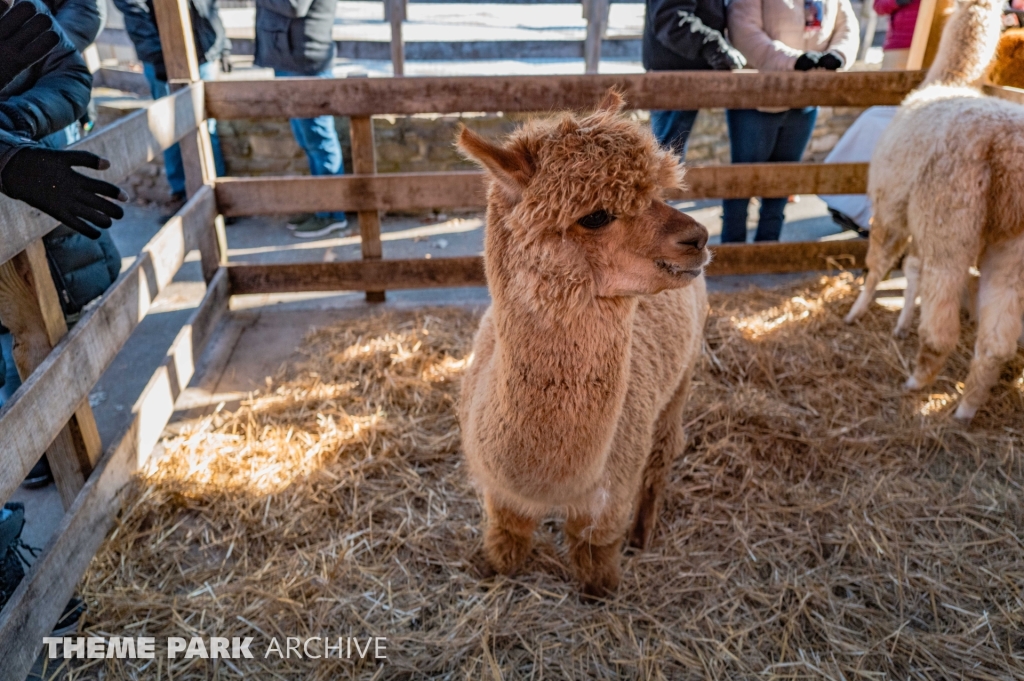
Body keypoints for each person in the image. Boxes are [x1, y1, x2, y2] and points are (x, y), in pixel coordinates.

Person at [724, 0, 858, 242]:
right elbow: (744, 29)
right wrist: (793, 60)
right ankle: (731, 250)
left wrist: (838, 55)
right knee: (742, 181)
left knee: (783, 181)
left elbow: (846, 26)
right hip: (758, 100)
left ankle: (770, 246)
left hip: (805, 98)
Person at [113, 0, 229, 208]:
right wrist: (159, 55)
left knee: (206, 126)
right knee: (170, 126)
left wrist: (222, 44)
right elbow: (134, 10)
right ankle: (181, 193)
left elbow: (209, 7)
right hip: (165, 54)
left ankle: (214, 191)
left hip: (201, 51)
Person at [255, 0, 348, 238]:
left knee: (319, 140)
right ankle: (322, 208)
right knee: (308, 140)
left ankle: (333, 213)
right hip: (292, 56)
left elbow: (294, 6)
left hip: (306, 62)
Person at [643, 0, 746, 157]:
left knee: (670, 155)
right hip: (674, 73)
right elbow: (669, 18)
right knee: (666, 156)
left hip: (688, 69)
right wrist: (711, 44)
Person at [873, 0, 920, 70]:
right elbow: (879, 5)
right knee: (890, 79)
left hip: (931, 48)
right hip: (898, 47)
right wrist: (896, 1)